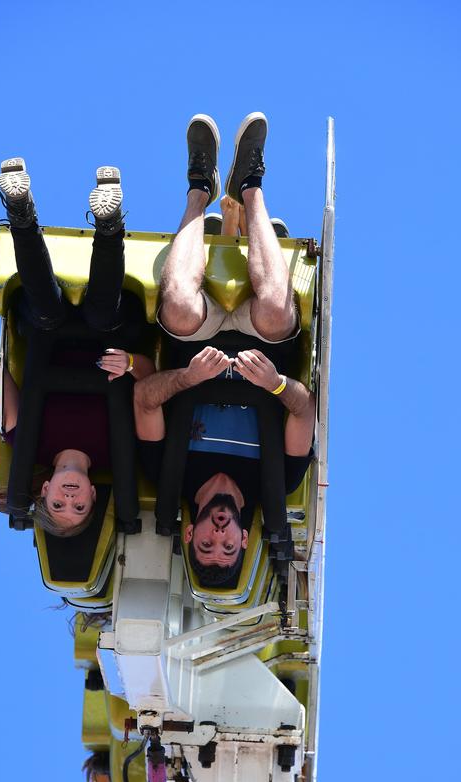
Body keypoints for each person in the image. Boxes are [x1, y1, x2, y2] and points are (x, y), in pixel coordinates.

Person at [134, 113, 315, 586]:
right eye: (230, 545)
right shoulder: (277, 479)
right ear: (242, 536)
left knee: (175, 305)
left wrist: (188, 379)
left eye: (207, 545)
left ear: (190, 533)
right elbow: (303, 411)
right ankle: (250, 184)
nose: (219, 534)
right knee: (276, 307)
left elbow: (145, 399)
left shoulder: (166, 470)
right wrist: (274, 384)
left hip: (195, 340)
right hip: (264, 344)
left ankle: (200, 187)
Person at [0, 159, 154, 536]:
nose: (70, 498)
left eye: (58, 504)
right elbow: (150, 382)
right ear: (94, 496)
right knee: (102, 317)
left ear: (45, 490)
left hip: (48, 329)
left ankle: (20, 211)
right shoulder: (118, 451)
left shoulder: (27, 442)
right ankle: (109, 221)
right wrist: (130, 363)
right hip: (110, 327)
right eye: (79, 506)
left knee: (47, 314)